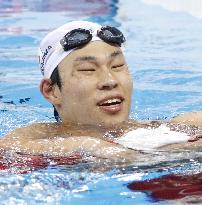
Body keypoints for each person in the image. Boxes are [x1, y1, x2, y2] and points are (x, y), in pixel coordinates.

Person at [0, 21, 201, 163]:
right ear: (51, 91)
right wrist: (90, 146)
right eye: (88, 70)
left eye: (117, 66)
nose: (109, 81)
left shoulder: (161, 128)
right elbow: (8, 146)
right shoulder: (41, 136)